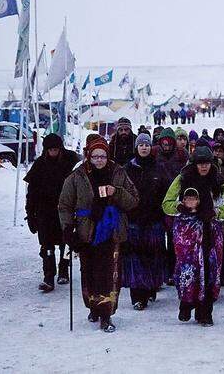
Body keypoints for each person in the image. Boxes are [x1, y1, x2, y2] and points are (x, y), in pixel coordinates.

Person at [59, 135, 139, 332]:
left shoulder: (119, 173)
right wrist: (68, 229)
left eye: (102, 156)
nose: (99, 160)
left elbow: (134, 200)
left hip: (112, 231)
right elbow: (65, 205)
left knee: (109, 274)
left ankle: (106, 314)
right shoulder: (77, 176)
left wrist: (116, 192)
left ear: (107, 155)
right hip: (87, 231)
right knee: (89, 272)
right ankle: (94, 306)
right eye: (95, 156)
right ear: (88, 156)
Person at [162, 146, 224, 326]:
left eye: (207, 164)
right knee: (188, 270)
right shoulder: (182, 179)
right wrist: (181, 208)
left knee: (209, 271)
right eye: (200, 164)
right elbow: (167, 203)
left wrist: (216, 213)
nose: (203, 167)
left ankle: (205, 312)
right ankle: (186, 303)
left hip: (211, 232)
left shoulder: (220, 181)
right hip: (187, 235)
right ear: (194, 164)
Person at [24, 134, 80, 292]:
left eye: (56, 149)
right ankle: (48, 275)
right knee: (47, 245)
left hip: (67, 210)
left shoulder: (71, 160)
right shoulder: (40, 164)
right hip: (45, 212)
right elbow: (32, 192)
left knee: (66, 244)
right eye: (50, 150)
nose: (53, 152)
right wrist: (30, 214)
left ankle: (64, 270)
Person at [122, 133, 170, 310]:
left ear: (151, 147)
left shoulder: (159, 167)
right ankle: (138, 296)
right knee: (135, 258)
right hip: (134, 220)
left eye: (147, 145)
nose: (144, 147)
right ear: (136, 147)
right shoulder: (128, 168)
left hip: (154, 220)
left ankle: (150, 288)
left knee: (153, 256)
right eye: (141, 145)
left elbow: (167, 192)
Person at [154, 127, 189, 285]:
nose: (166, 146)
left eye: (169, 143)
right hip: (158, 200)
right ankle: (163, 271)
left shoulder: (181, 155)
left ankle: (176, 269)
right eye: (164, 143)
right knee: (160, 239)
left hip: (176, 200)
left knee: (176, 238)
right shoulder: (155, 154)